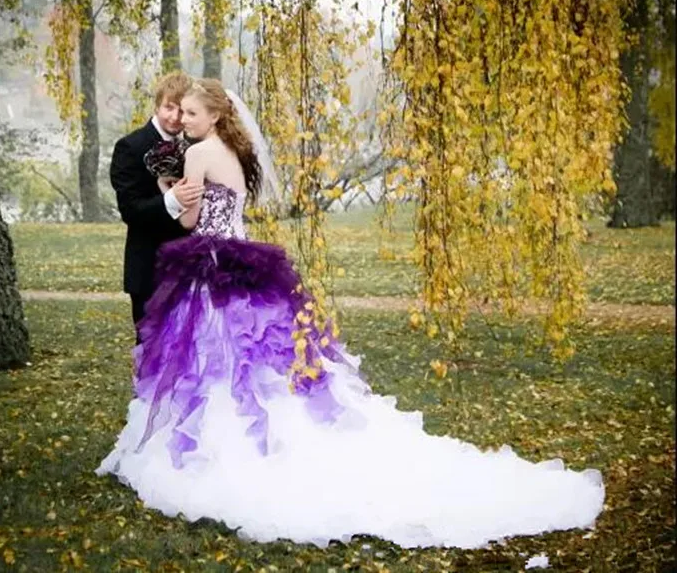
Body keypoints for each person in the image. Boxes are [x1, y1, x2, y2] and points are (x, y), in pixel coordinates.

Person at [97, 78, 605, 550]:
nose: (182, 119)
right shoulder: (234, 150)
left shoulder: (201, 153)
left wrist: (169, 193)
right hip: (242, 257)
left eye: (190, 111)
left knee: (210, 358)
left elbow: (188, 217)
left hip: (208, 263)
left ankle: (213, 446)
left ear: (211, 115)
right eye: (178, 111)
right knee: (257, 357)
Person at [109, 71, 205, 341]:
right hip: (150, 269)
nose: (175, 117)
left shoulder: (197, 146)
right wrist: (173, 200)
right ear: (157, 105)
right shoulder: (130, 147)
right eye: (168, 107)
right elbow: (131, 210)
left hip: (190, 268)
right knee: (153, 351)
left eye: (182, 110)